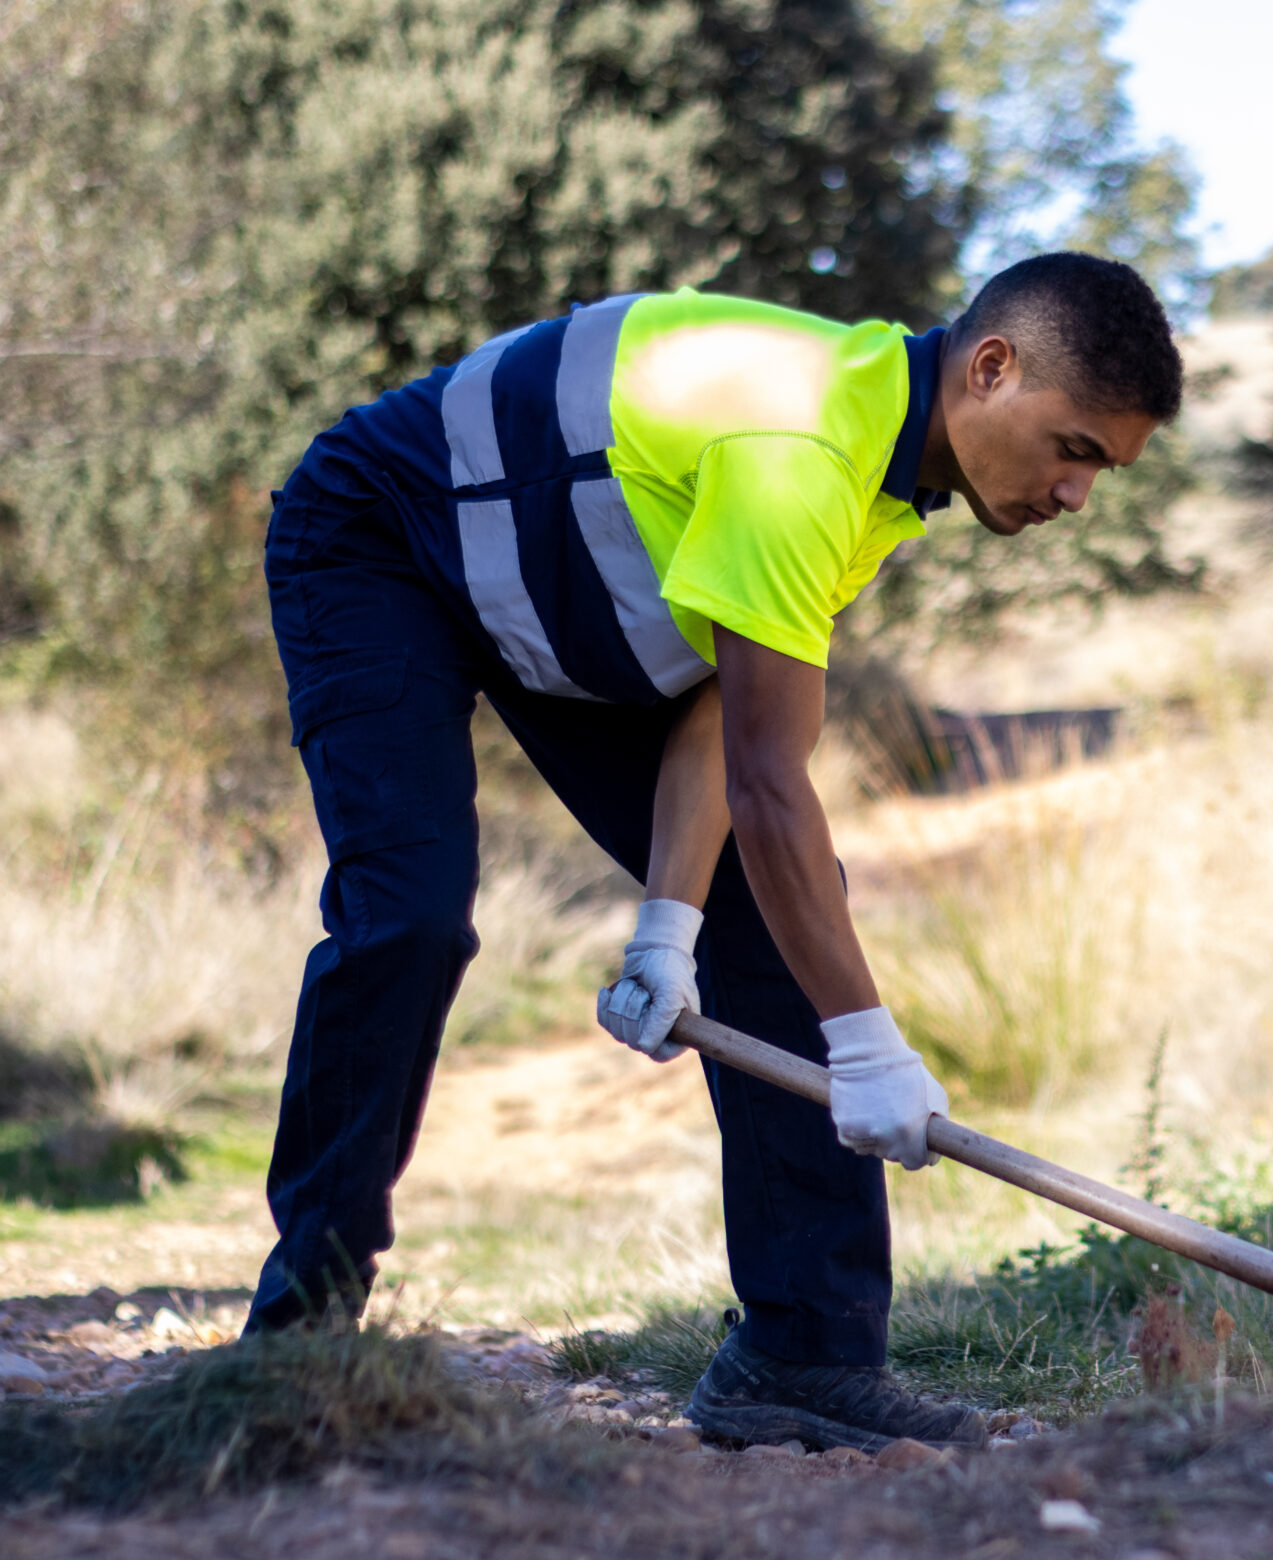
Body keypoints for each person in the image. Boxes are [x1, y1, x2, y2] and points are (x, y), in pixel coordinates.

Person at [251, 252, 1182, 1451]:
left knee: (768, 911)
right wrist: (865, 1044)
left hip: (567, 608)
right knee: (412, 911)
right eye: (1075, 448)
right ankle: (298, 1337)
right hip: (381, 542)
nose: (1077, 496)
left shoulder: (884, 472)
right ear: (990, 368)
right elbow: (772, 780)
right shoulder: (808, 448)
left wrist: (671, 928)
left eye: (1102, 468)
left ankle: (801, 1357)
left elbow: (719, 705)